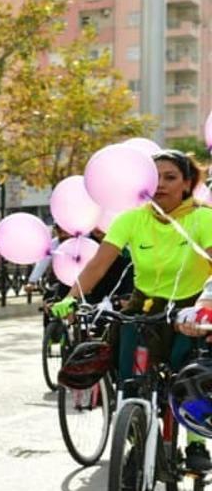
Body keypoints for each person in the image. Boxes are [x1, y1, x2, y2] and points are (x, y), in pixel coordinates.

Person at [53, 149, 212, 470]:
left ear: (187, 184)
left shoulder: (203, 218)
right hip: (144, 305)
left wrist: (205, 308)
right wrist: (73, 296)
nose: (161, 185)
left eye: (171, 178)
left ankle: (196, 441)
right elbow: (98, 265)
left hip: (192, 306)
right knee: (130, 379)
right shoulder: (130, 219)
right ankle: (136, 441)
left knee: (190, 371)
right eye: (156, 178)